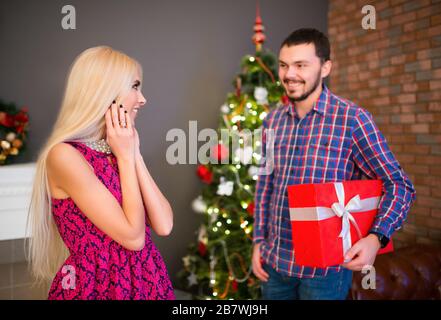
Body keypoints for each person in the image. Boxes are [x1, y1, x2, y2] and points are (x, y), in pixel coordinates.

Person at [252, 28, 416, 300]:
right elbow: (265, 183)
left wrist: (376, 238)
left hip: (327, 272)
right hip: (275, 264)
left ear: (325, 67)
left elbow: (399, 185)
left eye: (301, 65)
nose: (289, 74)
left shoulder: (353, 120)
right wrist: (258, 240)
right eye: (283, 65)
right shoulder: (272, 121)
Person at [27, 46, 175, 300]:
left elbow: (164, 224)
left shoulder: (119, 149)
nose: (142, 99)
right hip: (98, 284)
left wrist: (134, 154)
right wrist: (127, 157)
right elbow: (133, 238)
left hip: (146, 278)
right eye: (135, 86)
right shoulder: (64, 155)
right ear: (106, 91)